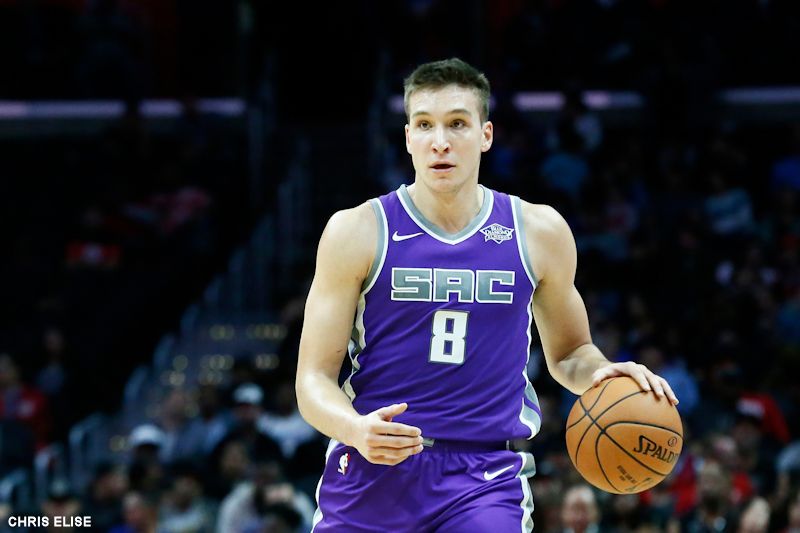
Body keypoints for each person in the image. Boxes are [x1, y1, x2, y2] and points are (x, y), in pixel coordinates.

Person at [295, 57, 679, 532]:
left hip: (483, 478)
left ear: (486, 135)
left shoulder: (538, 231)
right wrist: (353, 429)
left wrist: (602, 373)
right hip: (373, 466)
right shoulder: (356, 230)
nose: (440, 141)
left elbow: (571, 354)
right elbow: (313, 379)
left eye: (457, 123)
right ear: (409, 138)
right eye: (425, 125)